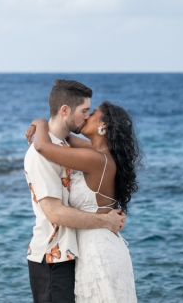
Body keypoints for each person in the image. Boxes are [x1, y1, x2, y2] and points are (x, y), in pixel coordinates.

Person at [28, 100, 141, 303]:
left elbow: (43, 146)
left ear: (103, 125)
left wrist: (40, 122)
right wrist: (55, 123)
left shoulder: (96, 159)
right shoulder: (98, 152)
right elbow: (67, 136)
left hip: (98, 251)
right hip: (100, 245)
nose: (87, 116)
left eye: (93, 112)